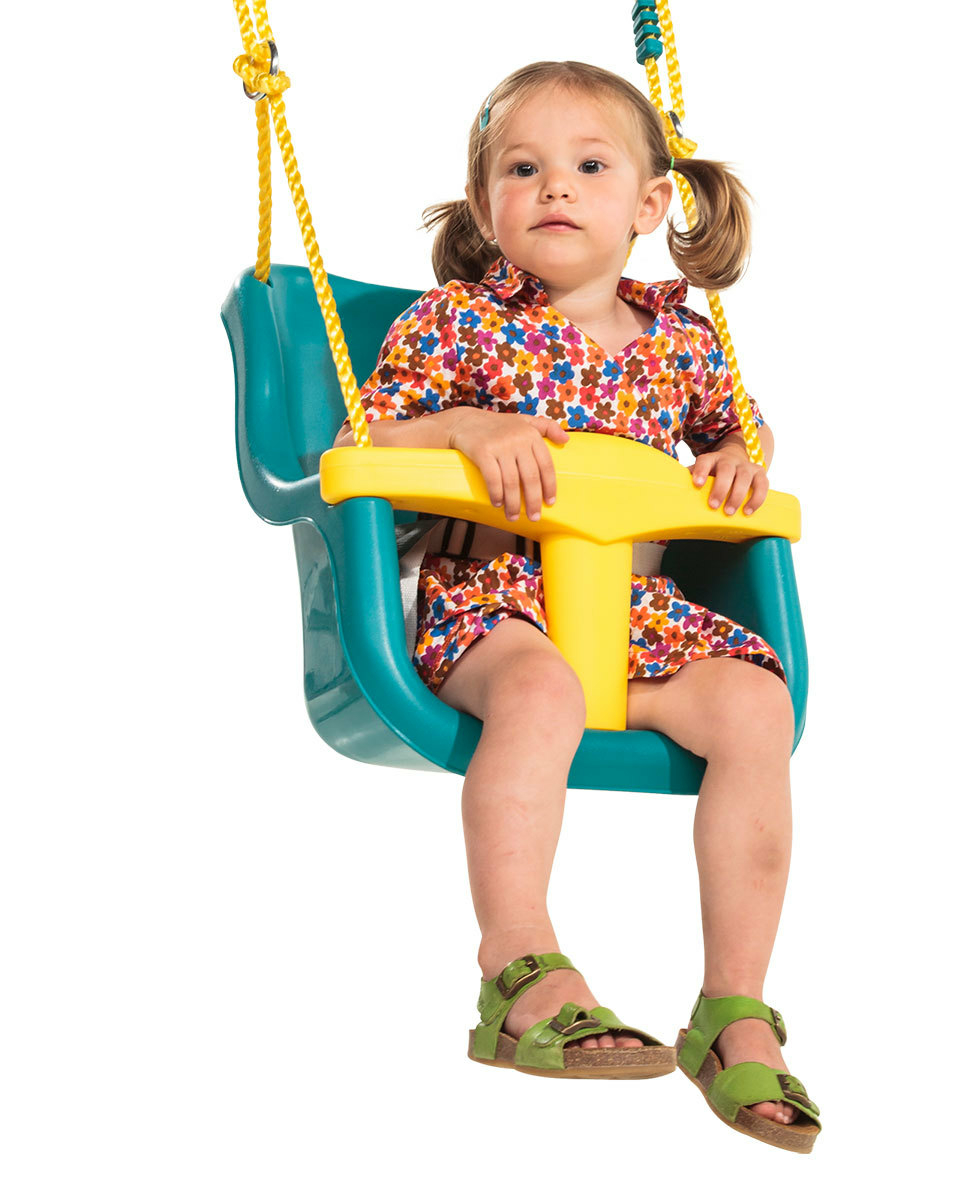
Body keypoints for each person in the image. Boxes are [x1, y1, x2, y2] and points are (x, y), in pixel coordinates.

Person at [332, 60, 820, 1150]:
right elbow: (365, 439)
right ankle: (518, 968)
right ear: (485, 206)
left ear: (650, 205)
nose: (554, 185)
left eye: (590, 166)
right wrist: (465, 429)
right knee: (542, 695)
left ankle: (734, 1007)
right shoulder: (456, 324)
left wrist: (739, 459)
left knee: (757, 709)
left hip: (639, 617)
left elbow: (741, 434)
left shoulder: (686, 343)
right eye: (522, 168)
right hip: (497, 605)